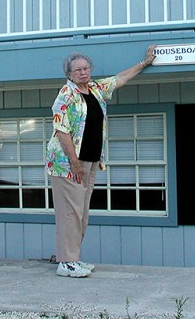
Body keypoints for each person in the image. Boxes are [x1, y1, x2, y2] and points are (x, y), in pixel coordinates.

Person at [45, 45, 156, 277]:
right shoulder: (66, 95)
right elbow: (62, 131)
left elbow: (121, 78)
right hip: (68, 164)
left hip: (91, 161)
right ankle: (66, 262)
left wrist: (145, 63)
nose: (83, 73)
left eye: (86, 68)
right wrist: (74, 163)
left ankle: (73, 258)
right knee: (70, 213)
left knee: (81, 213)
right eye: (77, 70)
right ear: (69, 74)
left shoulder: (95, 89)